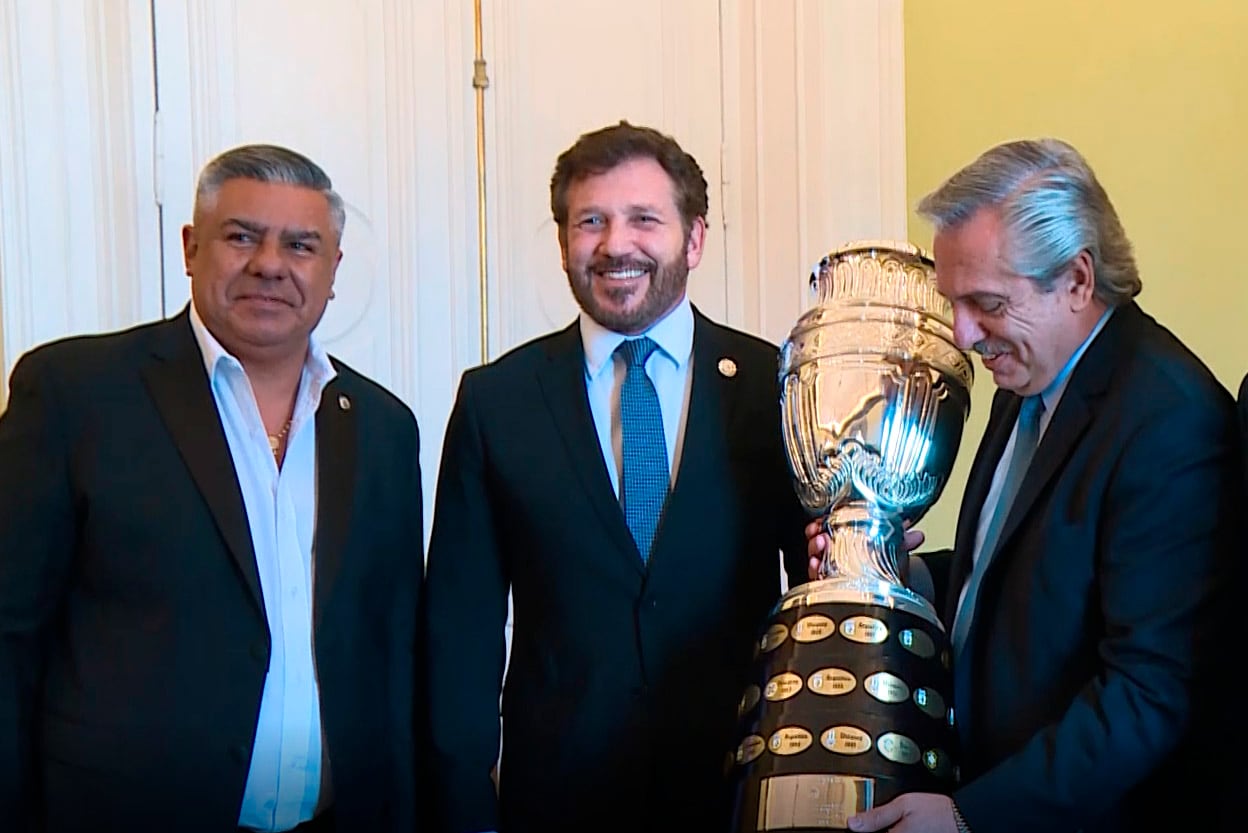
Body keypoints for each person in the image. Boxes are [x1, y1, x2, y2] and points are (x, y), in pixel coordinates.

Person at [809, 138, 1241, 833]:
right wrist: (901, 572)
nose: (963, 333)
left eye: (986, 304)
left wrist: (968, 816)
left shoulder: (1172, 420)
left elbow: (1147, 695)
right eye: (953, 302)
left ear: (1076, 279)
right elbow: (1015, 574)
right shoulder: (1030, 376)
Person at [0, 144, 427, 833]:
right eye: (241, 236)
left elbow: (395, 649)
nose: (270, 264)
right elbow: (10, 632)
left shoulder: (382, 426)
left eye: (301, 244)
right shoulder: (75, 394)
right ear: (191, 247)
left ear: (332, 270)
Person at [424, 121, 809, 832]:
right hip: (558, 797)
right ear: (564, 240)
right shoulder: (495, 401)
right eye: (589, 221)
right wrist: (463, 806)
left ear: (693, 238)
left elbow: (815, 589)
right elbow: (461, 632)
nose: (613, 245)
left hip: (741, 791)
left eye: (643, 219)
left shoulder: (775, 386)